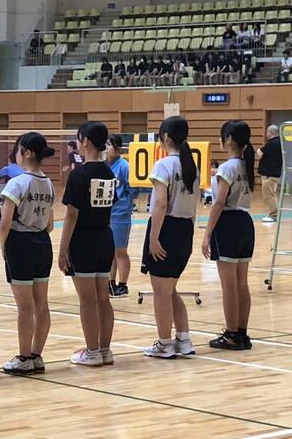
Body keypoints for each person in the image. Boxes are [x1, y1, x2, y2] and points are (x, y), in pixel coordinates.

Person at [58, 122, 116, 367]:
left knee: (87, 299)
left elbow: (71, 215)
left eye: (79, 139)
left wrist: (62, 249)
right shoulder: (109, 173)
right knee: (103, 297)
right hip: (105, 237)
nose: (78, 144)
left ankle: (91, 351)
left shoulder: (79, 175)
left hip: (83, 241)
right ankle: (104, 349)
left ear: (87, 142)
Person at [141, 117, 199, 359]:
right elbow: (193, 206)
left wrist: (154, 238)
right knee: (170, 290)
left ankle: (165, 344)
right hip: (185, 229)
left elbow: (161, 204)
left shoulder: (163, 165)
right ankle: (183, 340)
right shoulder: (191, 166)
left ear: (165, 136)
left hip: (166, 229)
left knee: (161, 293)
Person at [0, 133, 55, 376]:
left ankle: (23, 358)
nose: (16, 155)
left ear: (27, 153)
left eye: (18, 150)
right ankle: (36, 355)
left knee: (24, 307)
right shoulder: (49, 183)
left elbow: (5, 222)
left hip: (20, 244)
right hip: (43, 243)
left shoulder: (17, 183)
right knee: (41, 303)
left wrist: (3, 248)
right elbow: (51, 225)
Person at [203, 121, 256, 351]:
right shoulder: (247, 165)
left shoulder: (227, 168)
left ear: (229, 140)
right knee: (241, 283)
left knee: (229, 285)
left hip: (228, 224)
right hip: (245, 222)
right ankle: (242, 333)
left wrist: (206, 234)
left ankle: (232, 334)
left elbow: (219, 202)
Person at [106, 135, 134, 298]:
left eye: (109, 145)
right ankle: (111, 283)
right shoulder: (105, 166)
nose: (106, 148)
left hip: (121, 213)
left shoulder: (124, 166)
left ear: (117, 149)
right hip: (107, 213)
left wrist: (126, 201)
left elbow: (133, 188)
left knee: (120, 251)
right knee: (111, 251)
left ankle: (122, 285)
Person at [257, 125, 282, 223]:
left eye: (267, 131)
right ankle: (273, 214)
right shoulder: (279, 143)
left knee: (269, 196)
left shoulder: (272, 143)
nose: (266, 133)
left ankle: (274, 215)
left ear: (271, 132)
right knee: (271, 195)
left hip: (269, 175)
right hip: (274, 174)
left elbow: (260, 153)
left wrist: (258, 151)